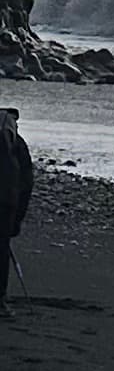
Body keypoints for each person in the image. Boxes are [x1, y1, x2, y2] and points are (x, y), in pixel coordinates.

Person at [0, 105, 30, 312]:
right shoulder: (16, 142)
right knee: (1, 251)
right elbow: (26, 184)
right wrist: (17, 220)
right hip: (5, 201)